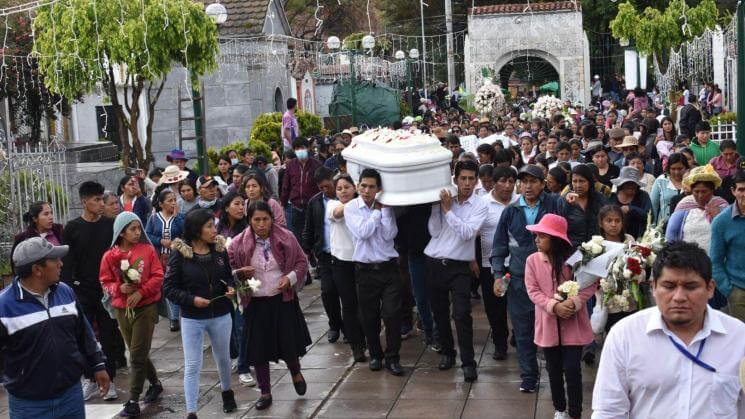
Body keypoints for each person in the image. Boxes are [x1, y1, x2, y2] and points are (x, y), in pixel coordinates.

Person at [592, 241, 745, 417]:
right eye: (669, 286)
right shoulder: (625, 336)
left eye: (691, 286)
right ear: (654, 287)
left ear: (710, 289)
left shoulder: (739, 338)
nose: (679, 297)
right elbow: (608, 411)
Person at [2, 238, 110, 419]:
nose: (61, 263)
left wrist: (98, 365)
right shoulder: (4, 307)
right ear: (37, 270)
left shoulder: (65, 291)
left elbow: (84, 333)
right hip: (29, 406)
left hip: (71, 397)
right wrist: (17, 379)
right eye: (55, 260)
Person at [227, 201, 311, 411]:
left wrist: (290, 278)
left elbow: (302, 261)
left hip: (282, 300)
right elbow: (227, 270)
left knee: (288, 343)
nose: (262, 224)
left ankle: (295, 371)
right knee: (258, 350)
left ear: (272, 219)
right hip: (255, 302)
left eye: (265, 219)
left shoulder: (286, 238)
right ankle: (265, 391)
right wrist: (239, 274)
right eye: (256, 220)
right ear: (249, 221)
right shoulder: (238, 243)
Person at [491, 164, 562, 393]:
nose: (527, 186)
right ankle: (529, 376)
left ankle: (554, 373)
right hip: (520, 281)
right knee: (523, 331)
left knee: (553, 328)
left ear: (543, 184)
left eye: (533, 181)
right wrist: (498, 275)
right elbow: (499, 247)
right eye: (524, 182)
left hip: (551, 280)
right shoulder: (510, 212)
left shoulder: (554, 206)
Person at [163, 209, 238, 417]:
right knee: (193, 364)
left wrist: (231, 288)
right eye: (209, 227)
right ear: (197, 230)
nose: (215, 230)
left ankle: (227, 392)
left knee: (223, 358)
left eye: (214, 226)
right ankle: (192, 411)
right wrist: (192, 300)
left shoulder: (220, 250)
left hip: (221, 313)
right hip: (192, 318)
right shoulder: (180, 255)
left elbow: (228, 277)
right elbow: (168, 288)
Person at [525, 214, 596, 419]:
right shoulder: (532, 261)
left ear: (554, 239)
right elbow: (533, 290)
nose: (537, 239)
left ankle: (575, 412)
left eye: (542, 236)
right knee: (554, 371)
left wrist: (574, 302)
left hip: (573, 324)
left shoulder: (575, 260)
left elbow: (590, 284)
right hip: (548, 324)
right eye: (536, 235)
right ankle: (560, 409)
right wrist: (553, 306)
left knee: (573, 369)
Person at [424, 160, 487, 382]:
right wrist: (437, 207)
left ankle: (468, 362)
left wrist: (449, 211)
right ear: (455, 179)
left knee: (461, 314)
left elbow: (467, 233)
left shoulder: (480, 205)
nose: (467, 183)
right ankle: (448, 354)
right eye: (463, 178)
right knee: (439, 313)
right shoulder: (444, 198)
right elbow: (433, 231)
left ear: (477, 180)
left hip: (459, 266)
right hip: (434, 262)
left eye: (471, 179)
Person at [61, 181, 122, 402]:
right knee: (83, 335)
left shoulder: (110, 225)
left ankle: (110, 380)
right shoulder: (72, 228)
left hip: (106, 290)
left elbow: (118, 256)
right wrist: (69, 290)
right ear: (83, 202)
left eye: (100, 199)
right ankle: (89, 378)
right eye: (95, 200)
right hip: (82, 290)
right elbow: (67, 263)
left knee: (109, 335)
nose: (99, 203)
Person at [99, 212, 164, 417]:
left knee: (135, 354)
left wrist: (141, 292)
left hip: (145, 308)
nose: (137, 232)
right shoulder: (110, 255)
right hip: (121, 309)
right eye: (132, 229)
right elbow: (105, 281)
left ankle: (134, 399)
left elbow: (158, 275)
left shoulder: (147, 250)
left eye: (138, 228)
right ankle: (155, 383)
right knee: (138, 351)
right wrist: (119, 288)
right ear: (121, 232)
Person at [344, 168, 404, 376]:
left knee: (393, 314)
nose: (366, 190)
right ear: (358, 186)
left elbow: (390, 235)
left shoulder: (387, 207)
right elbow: (363, 231)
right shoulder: (351, 207)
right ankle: (376, 354)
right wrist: (377, 212)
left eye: (371, 187)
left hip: (388, 268)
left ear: (379, 189)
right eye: (363, 186)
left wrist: (385, 210)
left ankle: (393, 356)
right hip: (365, 270)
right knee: (369, 316)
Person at [215, 192, 256, 387]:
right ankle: (236, 356)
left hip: (243, 284)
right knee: (228, 326)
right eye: (237, 204)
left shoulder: (248, 230)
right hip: (223, 284)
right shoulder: (217, 229)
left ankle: (244, 367)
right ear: (226, 207)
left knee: (242, 325)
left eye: (243, 204)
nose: (241, 208)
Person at [479, 166, 518, 360]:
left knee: (519, 305)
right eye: (503, 181)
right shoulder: (483, 204)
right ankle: (499, 343)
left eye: (511, 181)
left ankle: (519, 336)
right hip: (491, 265)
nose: (508, 186)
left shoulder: (521, 202)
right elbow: (473, 235)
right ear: (494, 183)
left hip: (518, 264)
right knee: (495, 307)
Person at [327, 173, 367, 361]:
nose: (343, 191)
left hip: (363, 260)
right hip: (342, 261)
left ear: (354, 187)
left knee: (365, 303)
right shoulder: (332, 205)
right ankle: (356, 345)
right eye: (339, 188)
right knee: (349, 304)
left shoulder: (363, 204)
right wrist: (363, 198)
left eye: (347, 187)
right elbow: (338, 213)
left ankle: (368, 338)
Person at [302, 166, 344, 343]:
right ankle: (334, 325)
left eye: (328, 186)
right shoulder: (315, 203)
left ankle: (350, 328)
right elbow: (309, 229)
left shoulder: (346, 200)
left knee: (347, 293)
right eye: (321, 188)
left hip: (344, 255)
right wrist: (307, 250)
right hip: (325, 255)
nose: (325, 190)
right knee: (328, 292)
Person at [145, 189, 185, 332]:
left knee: (177, 285)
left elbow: (186, 232)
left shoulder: (180, 217)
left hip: (178, 258)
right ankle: (173, 318)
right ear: (161, 203)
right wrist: (161, 241)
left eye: (174, 200)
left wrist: (178, 217)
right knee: (166, 286)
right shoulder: (154, 218)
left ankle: (179, 315)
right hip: (160, 258)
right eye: (169, 201)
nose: (173, 203)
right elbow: (147, 235)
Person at [711, 169, 745, 322]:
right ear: (733, 191)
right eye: (742, 189)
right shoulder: (722, 222)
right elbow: (715, 262)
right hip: (739, 292)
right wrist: (730, 291)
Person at [280, 137, 323, 243]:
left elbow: (321, 186)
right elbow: (286, 186)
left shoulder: (317, 165)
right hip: (295, 208)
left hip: (312, 207)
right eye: (297, 148)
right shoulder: (290, 165)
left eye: (302, 147)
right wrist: (283, 203)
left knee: (312, 235)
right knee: (296, 237)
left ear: (308, 148)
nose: (300, 150)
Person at [561, 164, 609, 247]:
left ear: (589, 182)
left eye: (582, 181)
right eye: (574, 181)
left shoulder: (601, 200)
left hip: (597, 248)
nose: (578, 185)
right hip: (571, 249)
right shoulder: (564, 201)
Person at [11, 201, 64, 273]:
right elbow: (16, 264)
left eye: (51, 213)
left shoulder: (59, 233)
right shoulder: (23, 238)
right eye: (46, 214)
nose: (51, 217)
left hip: (59, 279)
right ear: (35, 219)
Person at [609, 167, 653, 239]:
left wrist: (631, 209)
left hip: (639, 238)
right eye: (628, 183)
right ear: (621, 184)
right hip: (615, 238)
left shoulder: (643, 196)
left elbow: (650, 216)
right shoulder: (612, 197)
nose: (631, 186)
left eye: (634, 183)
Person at [650, 152, 688, 225]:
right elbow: (653, 207)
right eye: (673, 169)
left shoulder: (691, 182)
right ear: (668, 168)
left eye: (680, 169)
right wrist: (652, 227)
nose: (676, 172)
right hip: (662, 227)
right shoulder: (660, 181)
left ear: (686, 167)